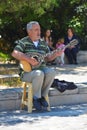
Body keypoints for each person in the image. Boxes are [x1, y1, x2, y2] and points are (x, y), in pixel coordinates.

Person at [11, 21, 63, 111]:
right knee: (39, 74)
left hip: (41, 69)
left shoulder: (43, 43)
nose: (39, 32)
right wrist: (29, 59)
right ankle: (36, 98)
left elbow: (48, 58)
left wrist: (56, 54)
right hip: (27, 72)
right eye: (36, 30)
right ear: (29, 31)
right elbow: (15, 53)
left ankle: (42, 97)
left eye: (39, 29)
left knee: (51, 72)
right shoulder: (24, 42)